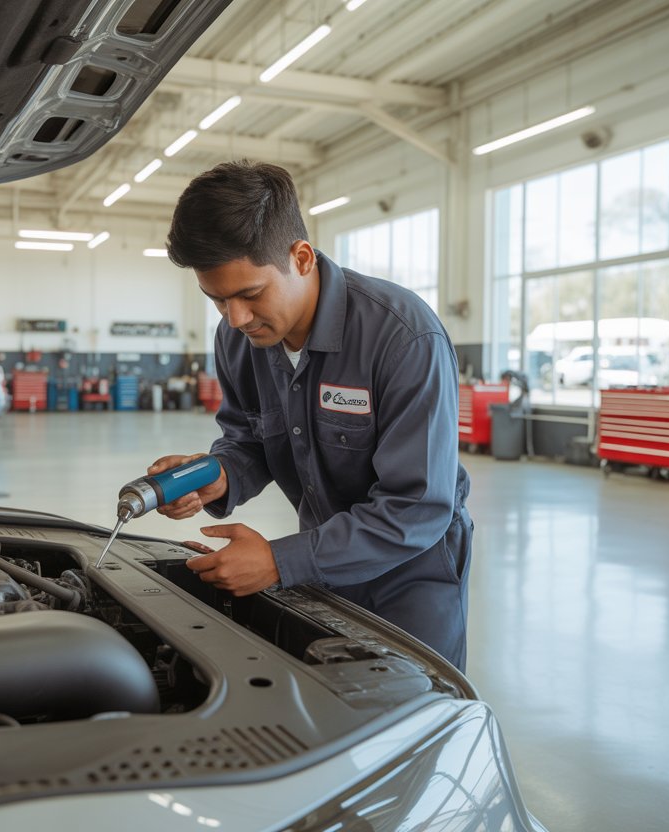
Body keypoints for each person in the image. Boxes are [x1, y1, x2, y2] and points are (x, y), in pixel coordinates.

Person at [149, 160, 472, 670]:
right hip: (321, 570)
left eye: (250, 294)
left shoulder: (403, 337)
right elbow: (249, 439)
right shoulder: (237, 338)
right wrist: (215, 476)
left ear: (301, 257)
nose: (236, 318)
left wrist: (280, 561)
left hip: (410, 579)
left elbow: (416, 507)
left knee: (407, 723)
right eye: (217, 300)